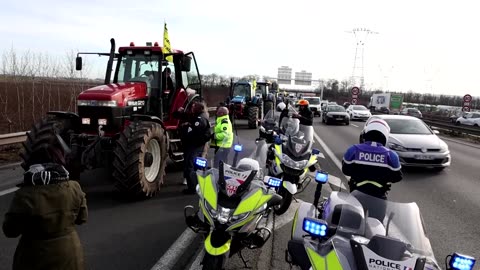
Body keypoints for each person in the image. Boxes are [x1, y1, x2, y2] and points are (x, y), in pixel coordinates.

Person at [2, 130, 88, 270]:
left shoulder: (25, 195)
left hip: (34, 257)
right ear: (59, 160)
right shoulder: (74, 188)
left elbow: (10, 230)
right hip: (69, 254)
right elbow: (82, 218)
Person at [342, 118, 403, 200]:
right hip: (379, 196)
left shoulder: (353, 149)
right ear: (385, 135)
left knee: (350, 212)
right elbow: (397, 177)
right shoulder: (391, 155)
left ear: (366, 133)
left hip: (356, 194)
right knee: (381, 213)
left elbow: (346, 170)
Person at [176, 101, 212, 194]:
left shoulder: (200, 119)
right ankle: (196, 184)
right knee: (195, 165)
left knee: (190, 165)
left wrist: (186, 127)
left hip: (194, 145)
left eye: (194, 106)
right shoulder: (199, 116)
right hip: (196, 145)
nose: (192, 108)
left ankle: (192, 188)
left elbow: (194, 131)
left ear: (198, 108)